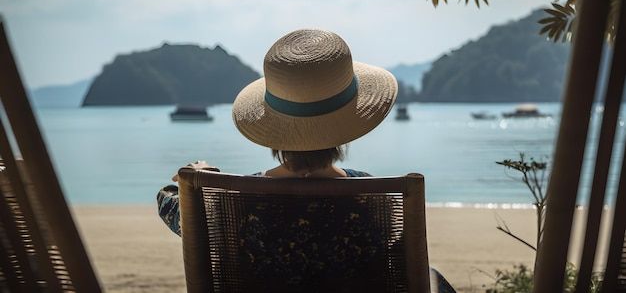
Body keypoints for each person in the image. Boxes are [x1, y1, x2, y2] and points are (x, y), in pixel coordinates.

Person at [157, 28, 456, 292]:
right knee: (431, 276)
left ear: (274, 129)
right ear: (346, 127)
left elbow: (170, 202)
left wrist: (198, 176)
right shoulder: (370, 197)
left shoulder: (229, 204)